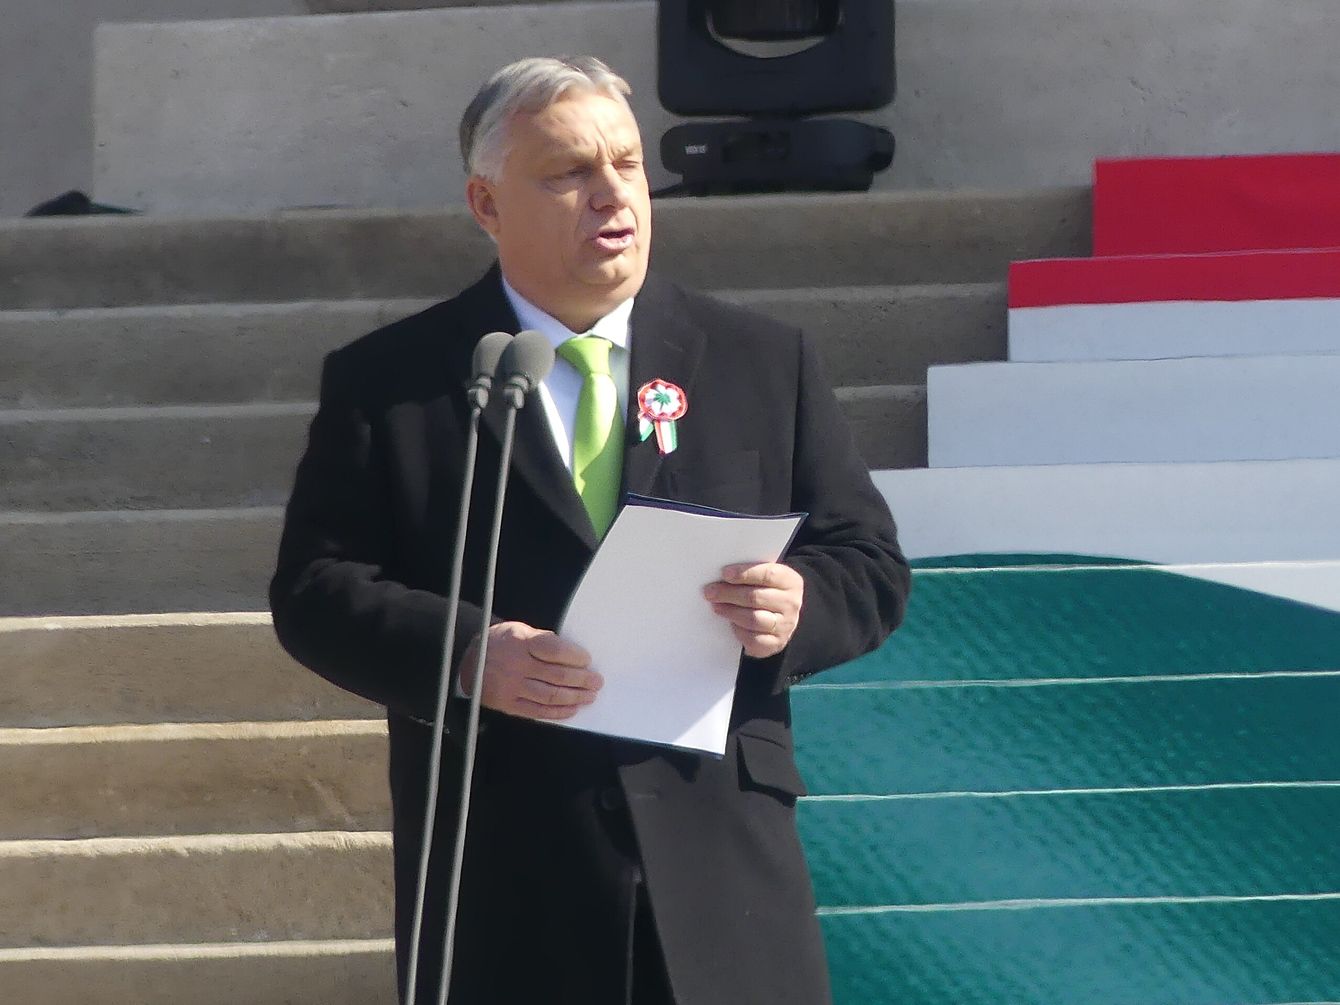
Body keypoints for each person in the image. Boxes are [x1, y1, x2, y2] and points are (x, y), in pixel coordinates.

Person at [269, 56, 910, 1005]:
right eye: (569, 172)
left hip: (719, 857)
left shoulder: (761, 361)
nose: (612, 193)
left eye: (628, 162)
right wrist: (466, 654)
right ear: (487, 204)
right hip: (512, 868)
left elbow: (869, 560)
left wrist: (798, 605)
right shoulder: (396, 382)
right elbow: (316, 589)